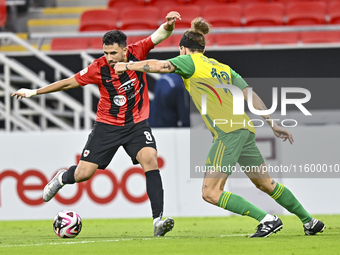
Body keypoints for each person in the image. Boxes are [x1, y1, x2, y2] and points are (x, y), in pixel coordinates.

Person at [114, 17, 326, 238]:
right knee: (266, 183)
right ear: (203, 49)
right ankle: (309, 221)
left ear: (183, 49)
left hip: (228, 133)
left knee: (211, 193)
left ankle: (267, 219)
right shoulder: (223, 68)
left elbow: (160, 65)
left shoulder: (190, 62)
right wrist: (272, 123)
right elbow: (249, 94)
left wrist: (127, 65)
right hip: (245, 129)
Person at [11, 11, 181, 237]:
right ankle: (63, 177)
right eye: (106, 52)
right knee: (83, 174)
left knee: (150, 159)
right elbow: (67, 83)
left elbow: (159, 35)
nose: (110, 57)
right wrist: (34, 92)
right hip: (107, 126)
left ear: (124, 49)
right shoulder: (98, 68)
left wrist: (168, 25)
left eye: (113, 52)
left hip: (136, 125)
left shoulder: (137, 52)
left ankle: (158, 220)